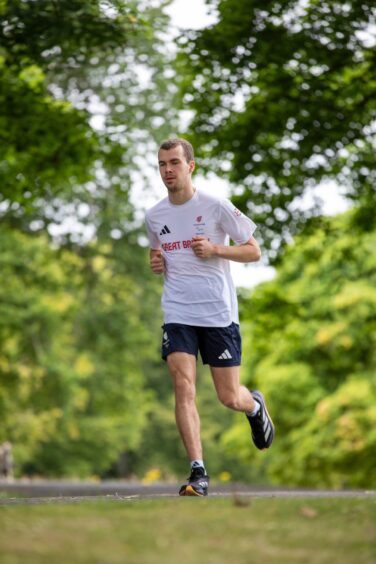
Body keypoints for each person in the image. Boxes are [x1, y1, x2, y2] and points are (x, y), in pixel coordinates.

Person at [145, 138, 274, 497]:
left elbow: (254, 251)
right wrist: (155, 262)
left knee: (229, 397)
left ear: (191, 166)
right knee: (183, 386)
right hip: (178, 311)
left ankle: (255, 405)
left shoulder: (215, 206)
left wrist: (215, 248)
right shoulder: (154, 215)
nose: (167, 170)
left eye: (174, 163)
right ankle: (198, 472)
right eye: (161, 164)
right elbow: (157, 253)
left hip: (217, 313)